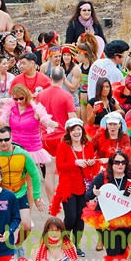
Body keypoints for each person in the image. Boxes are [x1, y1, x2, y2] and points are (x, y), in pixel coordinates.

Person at [0, 127, 46, 252]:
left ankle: (18, 246)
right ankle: (7, 249)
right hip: (2, 195)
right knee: (4, 225)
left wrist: (37, 196)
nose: (3, 143)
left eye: (6, 139)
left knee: (27, 226)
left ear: (11, 139)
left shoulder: (22, 154)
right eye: (0, 140)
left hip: (20, 194)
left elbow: (35, 174)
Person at [50, 118, 97, 255]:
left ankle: (76, 246)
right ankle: (64, 242)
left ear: (82, 131)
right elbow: (59, 166)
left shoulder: (88, 145)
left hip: (84, 186)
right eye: (73, 130)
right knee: (70, 217)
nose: (76, 132)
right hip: (68, 187)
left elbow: (91, 166)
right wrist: (75, 163)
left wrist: (90, 163)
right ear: (68, 132)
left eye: (78, 129)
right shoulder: (63, 146)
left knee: (80, 217)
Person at [36, 66, 78, 200]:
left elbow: (37, 117)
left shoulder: (41, 95)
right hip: (62, 138)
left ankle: (51, 202)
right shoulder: (67, 96)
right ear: (64, 78)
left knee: (49, 171)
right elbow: (72, 120)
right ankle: (65, 198)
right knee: (65, 171)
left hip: (46, 139)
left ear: (50, 78)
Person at [31, 216, 103, 261]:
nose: (54, 233)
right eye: (51, 230)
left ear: (62, 232)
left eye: (57, 231)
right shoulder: (37, 249)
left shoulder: (70, 246)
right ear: (46, 231)